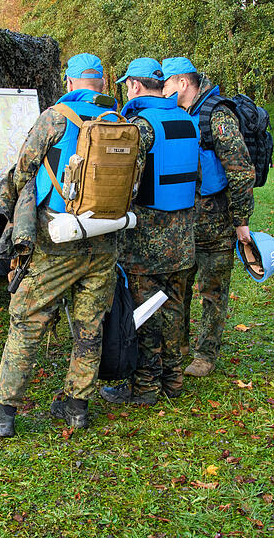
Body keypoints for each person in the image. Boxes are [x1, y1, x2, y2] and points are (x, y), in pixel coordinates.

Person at [0, 53, 132, 436]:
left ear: (69, 82)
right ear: (102, 83)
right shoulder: (120, 121)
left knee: (27, 321)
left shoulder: (55, 118)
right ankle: (76, 407)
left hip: (57, 237)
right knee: (89, 326)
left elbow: (23, 170)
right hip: (104, 238)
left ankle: (2, 413)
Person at [99, 57, 198, 405]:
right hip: (183, 238)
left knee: (143, 315)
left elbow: (126, 181)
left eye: (127, 84)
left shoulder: (141, 127)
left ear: (135, 87)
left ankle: (143, 388)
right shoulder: (188, 120)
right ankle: (173, 380)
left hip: (146, 240)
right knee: (173, 309)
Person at [161, 57, 255, 377]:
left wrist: (241, 222)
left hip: (216, 224)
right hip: (185, 223)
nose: (163, 90)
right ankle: (182, 344)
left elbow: (241, 170)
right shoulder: (179, 116)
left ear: (183, 83)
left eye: (167, 84)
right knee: (180, 285)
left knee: (212, 291)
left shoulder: (217, 115)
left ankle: (205, 354)